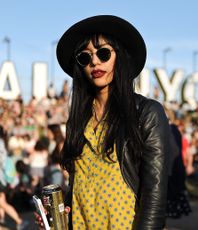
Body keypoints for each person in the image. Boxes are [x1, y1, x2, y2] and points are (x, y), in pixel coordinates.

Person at [36, 15, 170, 229]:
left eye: (103, 53)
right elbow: (80, 186)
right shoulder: (77, 121)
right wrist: (62, 215)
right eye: (84, 57)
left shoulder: (147, 113)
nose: (95, 61)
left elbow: (154, 199)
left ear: (120, 57)